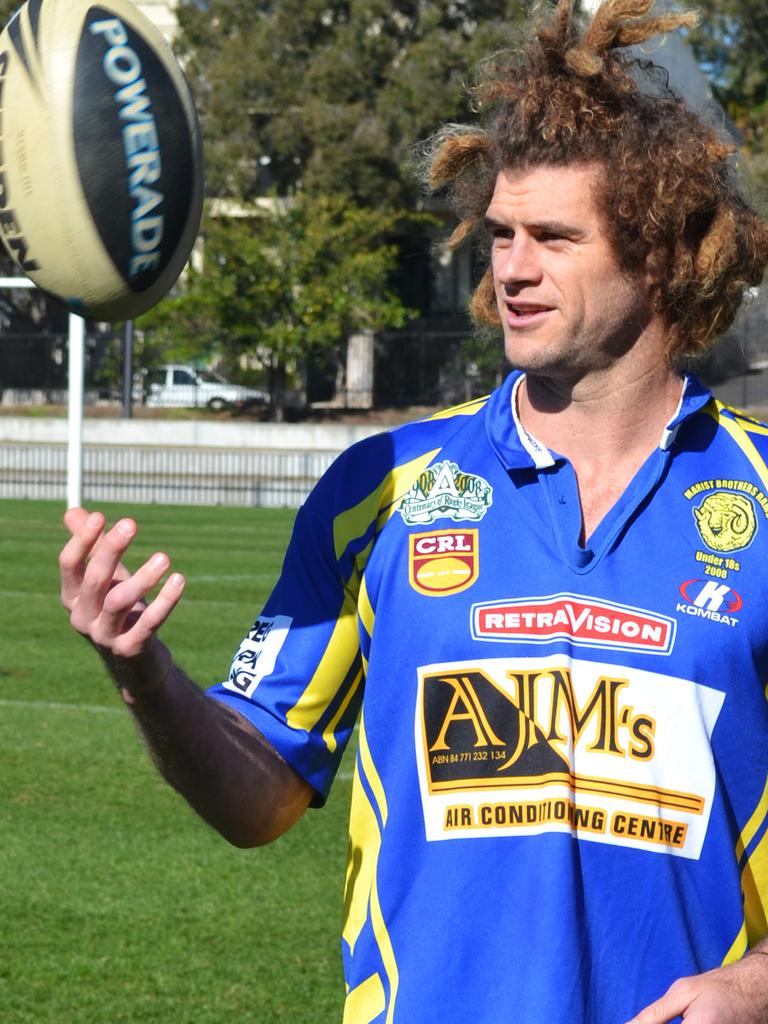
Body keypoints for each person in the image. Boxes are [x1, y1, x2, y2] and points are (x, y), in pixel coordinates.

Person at [59, 0, 768, 1021]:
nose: (511, 268)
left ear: (657, 256)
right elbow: (257, 800)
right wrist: (147, 678)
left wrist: (755, 984)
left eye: (554, 238)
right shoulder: (381, 487)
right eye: (502, 235)